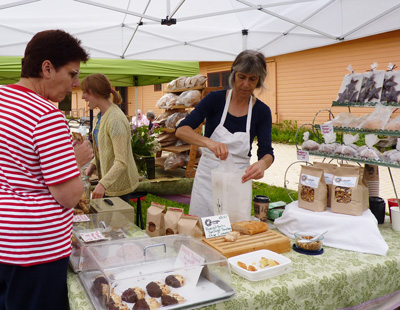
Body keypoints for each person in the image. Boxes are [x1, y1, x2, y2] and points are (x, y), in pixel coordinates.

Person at [0, 29, 92, 309]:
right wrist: (76, 161)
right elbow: (68, 196)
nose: (75, 84)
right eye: (72, 74)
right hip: (34, 248)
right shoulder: (46, 115)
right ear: (47, 68)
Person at [176, 50, 274, 218]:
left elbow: (267, 152)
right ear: (233, 74)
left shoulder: (262, 111)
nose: (245, 84)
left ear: (259, 80)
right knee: (201, 230)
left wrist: (262, 165)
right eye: (242, 77)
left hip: (238, 180)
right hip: (208, 178)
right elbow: (182, 130)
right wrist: (209, 142)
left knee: (234, 230)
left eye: (252, 79)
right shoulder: (215, 100)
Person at [81, 73, 140, 203]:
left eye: (85, 92)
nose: (82, 96)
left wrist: (102, 184)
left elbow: (121, 161)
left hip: (119, 187)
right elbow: (104, 149)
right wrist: (92, 166)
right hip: (108, 184)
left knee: (117, 223)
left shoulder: (115, 120)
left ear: (96, 93)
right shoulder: (100, 116)